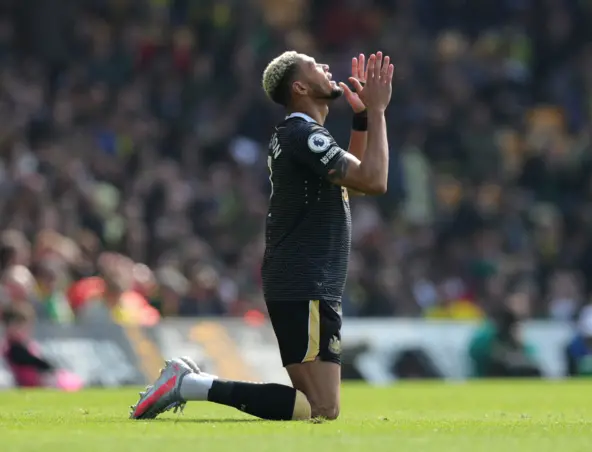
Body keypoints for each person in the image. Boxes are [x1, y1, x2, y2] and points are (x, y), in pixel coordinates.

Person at [129, 50, 394, 421]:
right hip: (305, 279)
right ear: (300, 86)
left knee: (320, 407)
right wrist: (379, 111)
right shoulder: (302, 135)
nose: (326, 67)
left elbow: (359, 181)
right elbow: (375, 180)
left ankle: (189, 384)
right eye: (315, 66)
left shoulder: (302, 135)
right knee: (320, 408)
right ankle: (188, 384)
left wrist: (363, 118)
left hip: (304, 278)